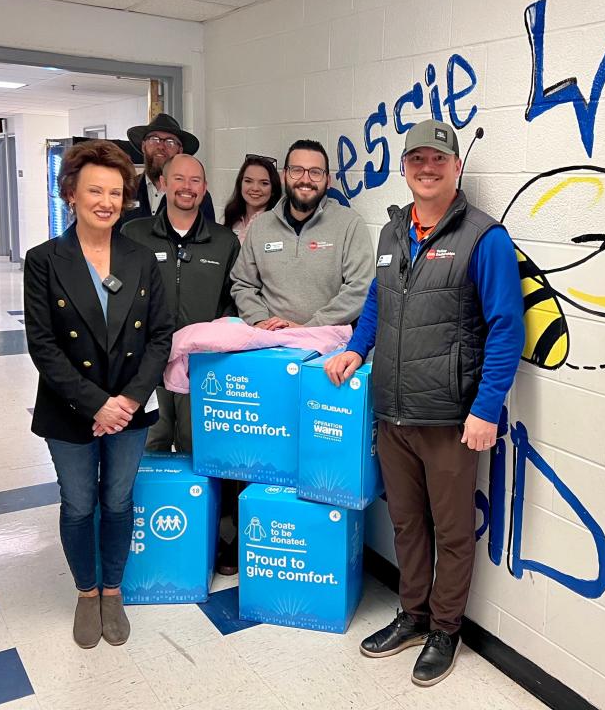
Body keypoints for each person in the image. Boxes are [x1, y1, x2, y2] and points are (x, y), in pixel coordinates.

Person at [325, 120, 524, 686]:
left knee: (453, 530)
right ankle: (411, 615)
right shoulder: (391, 234)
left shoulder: (485, 238)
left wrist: (486, 409)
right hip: (393, 412)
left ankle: (445, 629)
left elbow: (507, 328)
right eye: (417, 160)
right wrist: (355, 350)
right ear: (406, 167)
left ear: (456, 168)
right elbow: (376, 304)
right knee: (408, 523)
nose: (427, 168)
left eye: (438, 159)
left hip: (450, 418)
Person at [23, 140, 174, 649]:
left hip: (129, 406)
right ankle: (86, 594)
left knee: (118, 500)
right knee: (78, 503)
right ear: (70, 193)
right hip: (70, 409)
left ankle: (114, 590)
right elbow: (42, 344)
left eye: (116, 192)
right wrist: (97, 404)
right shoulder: (44, 260)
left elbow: (160, 335)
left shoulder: (140, 257)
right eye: (95, 190)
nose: (106, 202)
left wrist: (127, 402)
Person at [122, 153, 242, 575]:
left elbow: (234, 301)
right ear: (163, 184)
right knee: (150, 448)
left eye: (195, 180)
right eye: (179, 179)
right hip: (144, 368)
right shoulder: (133, 234)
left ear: (204, 189)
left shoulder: (225, 241)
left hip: (200, 370)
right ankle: (148, 543)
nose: (187, 187)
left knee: (201, 454)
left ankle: (207, 542)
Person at [230, 139, 374, 329]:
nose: (305, 180)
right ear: (284, 176)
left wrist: (309, 329)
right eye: (297, 170)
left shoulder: (350, 224)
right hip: (268, 340)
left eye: (315, 172)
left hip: (326, 345)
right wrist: (259, 320)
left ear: (328, 181)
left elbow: (360, 288)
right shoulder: (261, 227)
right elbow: (243, 284)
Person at [118, 113, 215, 228]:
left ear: (180, 151)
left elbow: (208, 239)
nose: (161, 146)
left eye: (170, 142)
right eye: (154, 139)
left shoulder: (194, 194)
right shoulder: (125, 188)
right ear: (143, 146)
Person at [222, 154, 282, 244]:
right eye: (248, 181)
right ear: (240, 184)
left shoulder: (278, 224)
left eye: (264, 183)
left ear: (273, 189)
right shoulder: (232, 216)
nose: (255, 188)